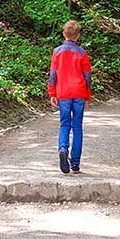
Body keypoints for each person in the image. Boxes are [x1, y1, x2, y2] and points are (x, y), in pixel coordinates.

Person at [48, 20, 92, 174]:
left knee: (64, 124)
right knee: (77, 127)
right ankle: (75, 163)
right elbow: (87, 76)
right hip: (79, 92)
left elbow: (53, 74)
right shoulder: (82, 53)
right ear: (78, 36)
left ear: (63, 34)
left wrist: (52, 92)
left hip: (63, 92)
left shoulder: (57, 52)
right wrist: (87, 95)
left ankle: (62, 148)